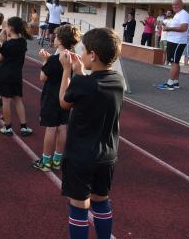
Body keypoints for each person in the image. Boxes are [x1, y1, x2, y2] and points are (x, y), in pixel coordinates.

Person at [58, 27, 124, 239]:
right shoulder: (117, 81)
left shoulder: (84, 84)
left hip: (81, 156)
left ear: (93, 55)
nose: (82, 54)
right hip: (107, 155)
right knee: (101, 200)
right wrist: (80, 73)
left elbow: (64, 103)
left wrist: (67, 70)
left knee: (79, 206)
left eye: (84, 50)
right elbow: (93, 86)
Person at [32, 24, 81, 172]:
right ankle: (57, 160)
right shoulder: (72, 58)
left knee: (51, 128)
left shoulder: (54, 59)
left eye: (56, 36)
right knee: (62, 127)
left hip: (51, 97)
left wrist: (45, 61)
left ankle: (46, 161)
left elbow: (42, 77)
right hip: (66, 96)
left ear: (59, 39)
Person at [0, 16, 34, 137]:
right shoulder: (22, 42)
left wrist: (2, 44)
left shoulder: (7, 44)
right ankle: (24, 126)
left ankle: (7, 127)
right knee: (18, 99)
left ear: (11, 28)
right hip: (17, 74)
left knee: (6, 100)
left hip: (5, 74)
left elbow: (0, 58)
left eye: (7, 26)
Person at [158, 0, 189, 90]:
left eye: (176, 4)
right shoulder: (178, 14)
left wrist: (169, 29)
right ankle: (175, 82)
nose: (174, 6)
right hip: (173, 41)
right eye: (173, 5)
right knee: (175, 62)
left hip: (177, 42)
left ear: (181, 5)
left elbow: (184, 28)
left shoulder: (184, 14)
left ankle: (170, 84)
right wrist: (167, 28)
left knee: (174, 63)